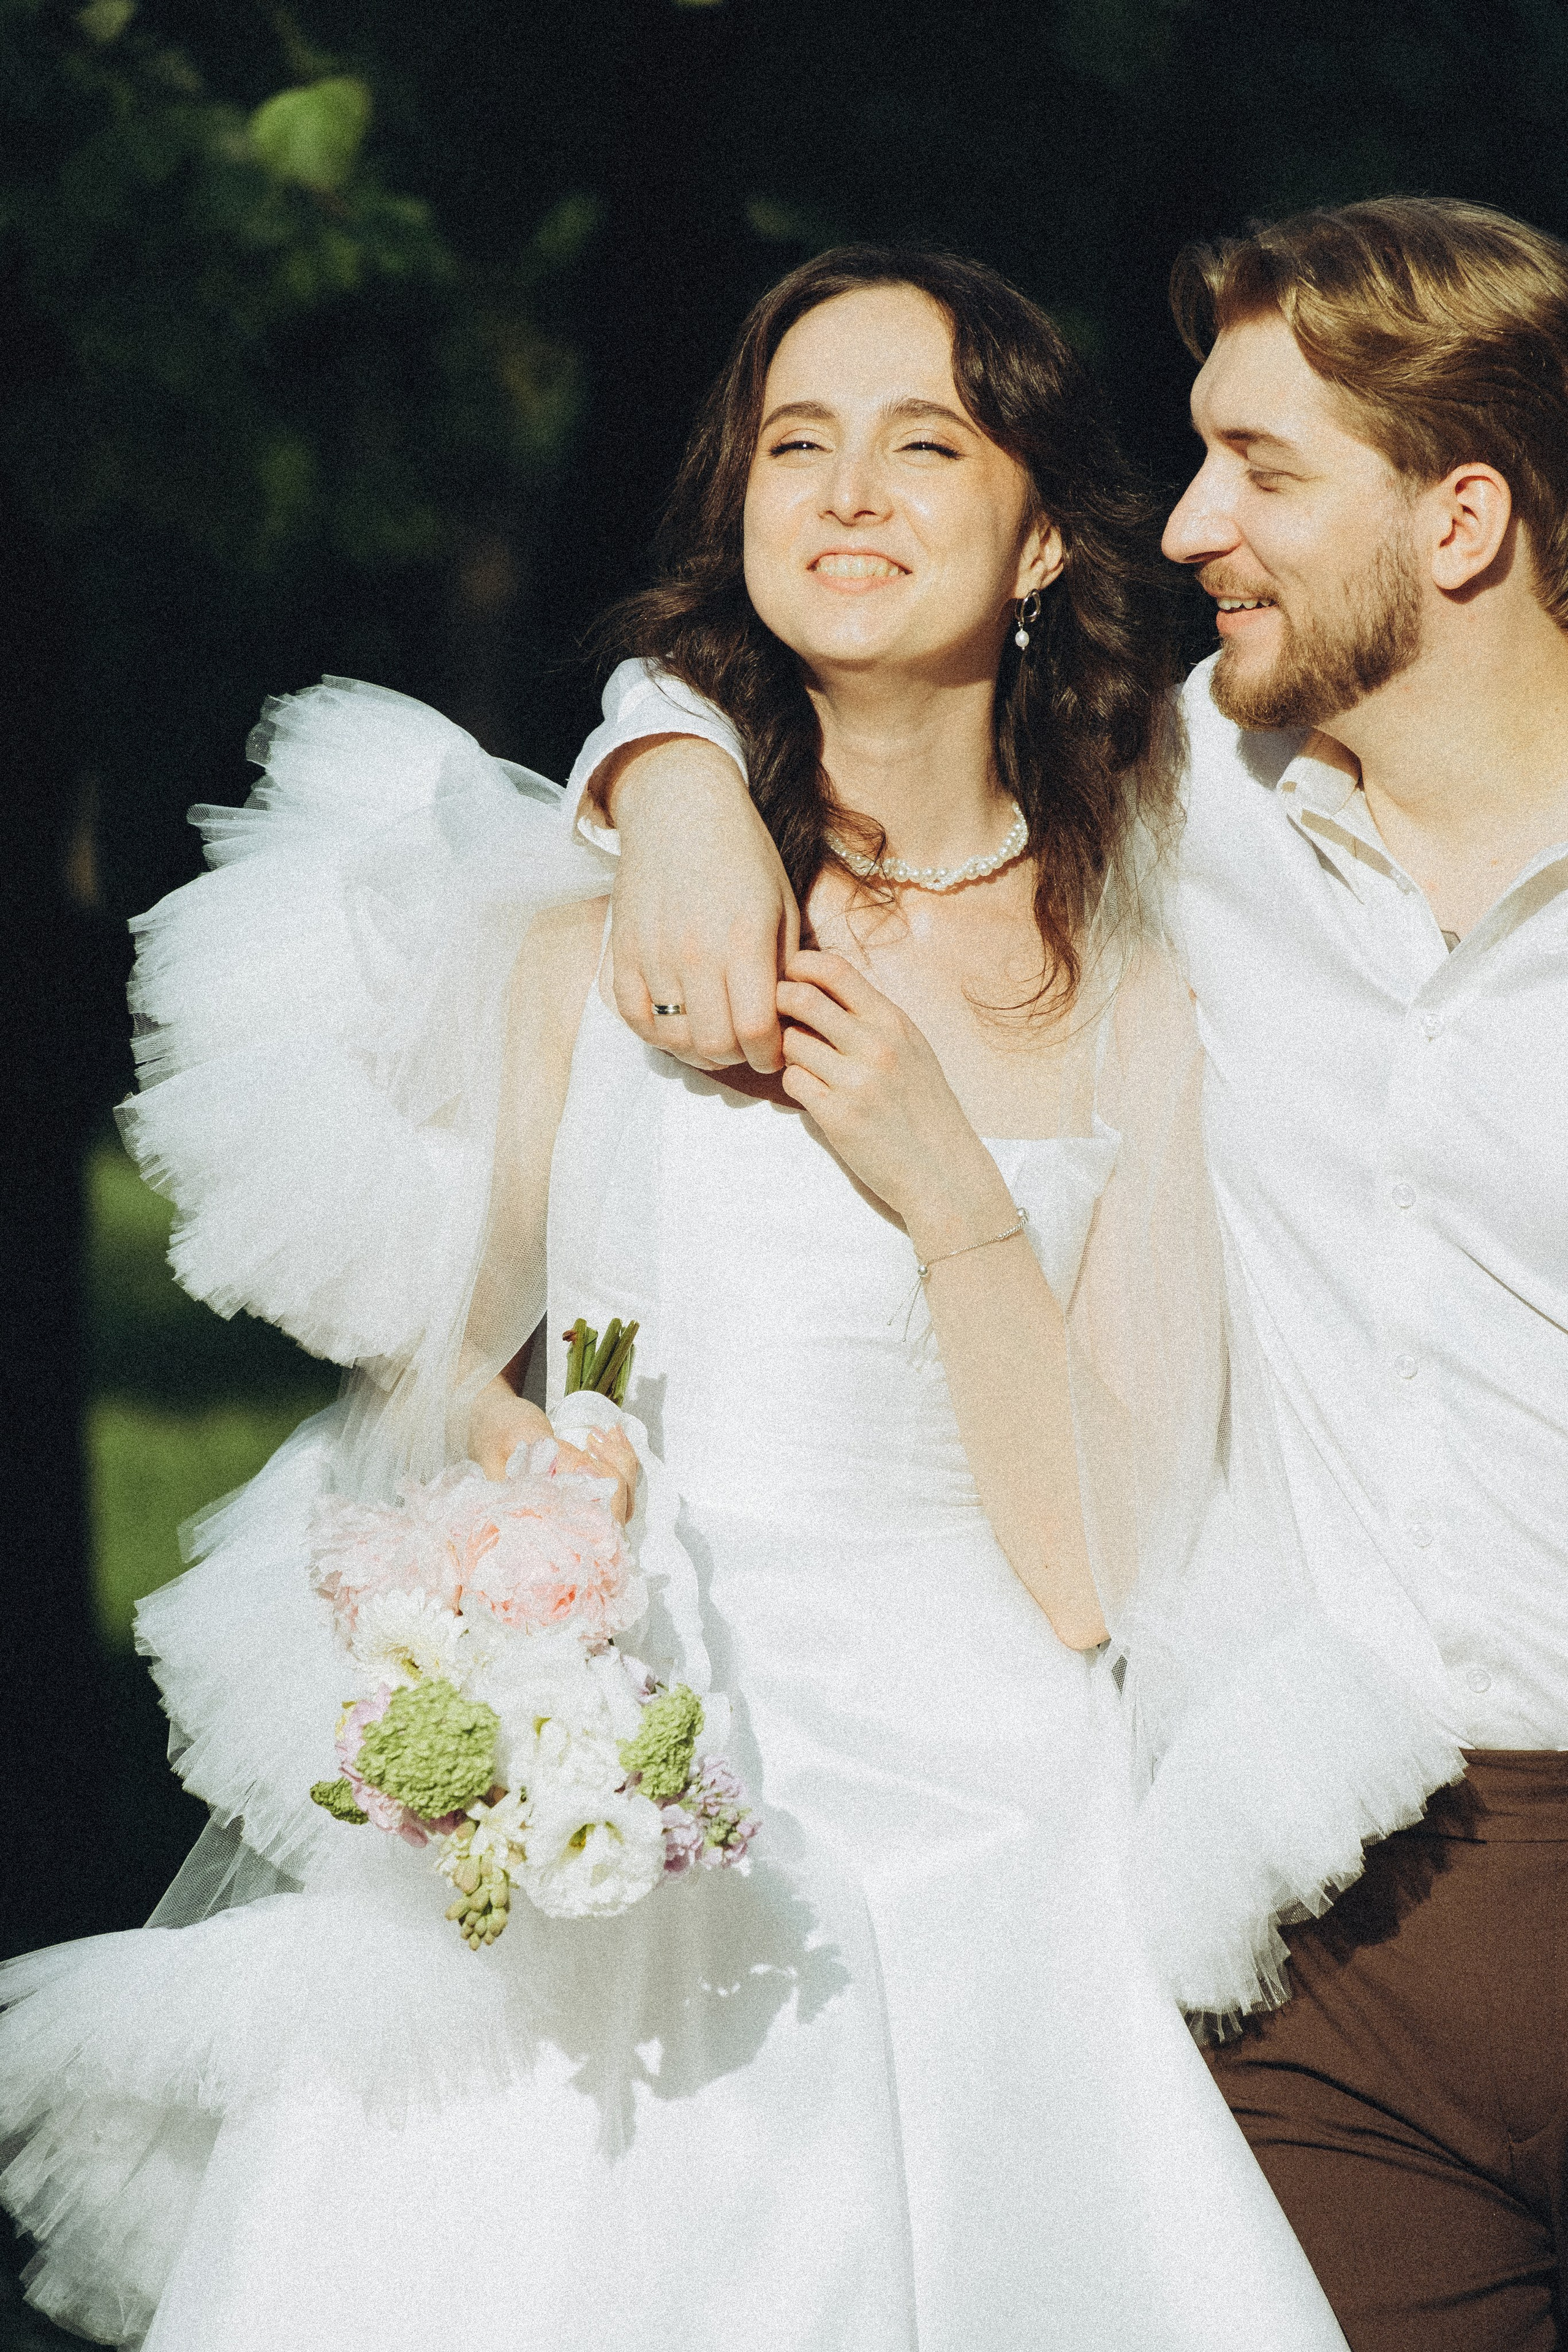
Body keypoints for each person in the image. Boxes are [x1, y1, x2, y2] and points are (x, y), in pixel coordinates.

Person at [0, 247, 1450, 2352]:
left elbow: (1094, 1577)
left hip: (973, 1803)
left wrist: (954, 1195)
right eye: (797, 444)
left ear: (1044, 533)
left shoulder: (1136, 976)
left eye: (925, 446)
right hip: (621, 1745)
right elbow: (435, 1380)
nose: (848, 491)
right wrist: (524, 1520)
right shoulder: (597, 935)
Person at [582, 200, 1568, 2352]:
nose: (1192, 517)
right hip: (1351, 1914)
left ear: (1466, 519)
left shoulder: (1171, 797)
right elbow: (832, 637)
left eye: (1263, 471)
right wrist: (662, 765)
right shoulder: (1205, 788)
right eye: (1197, 455)